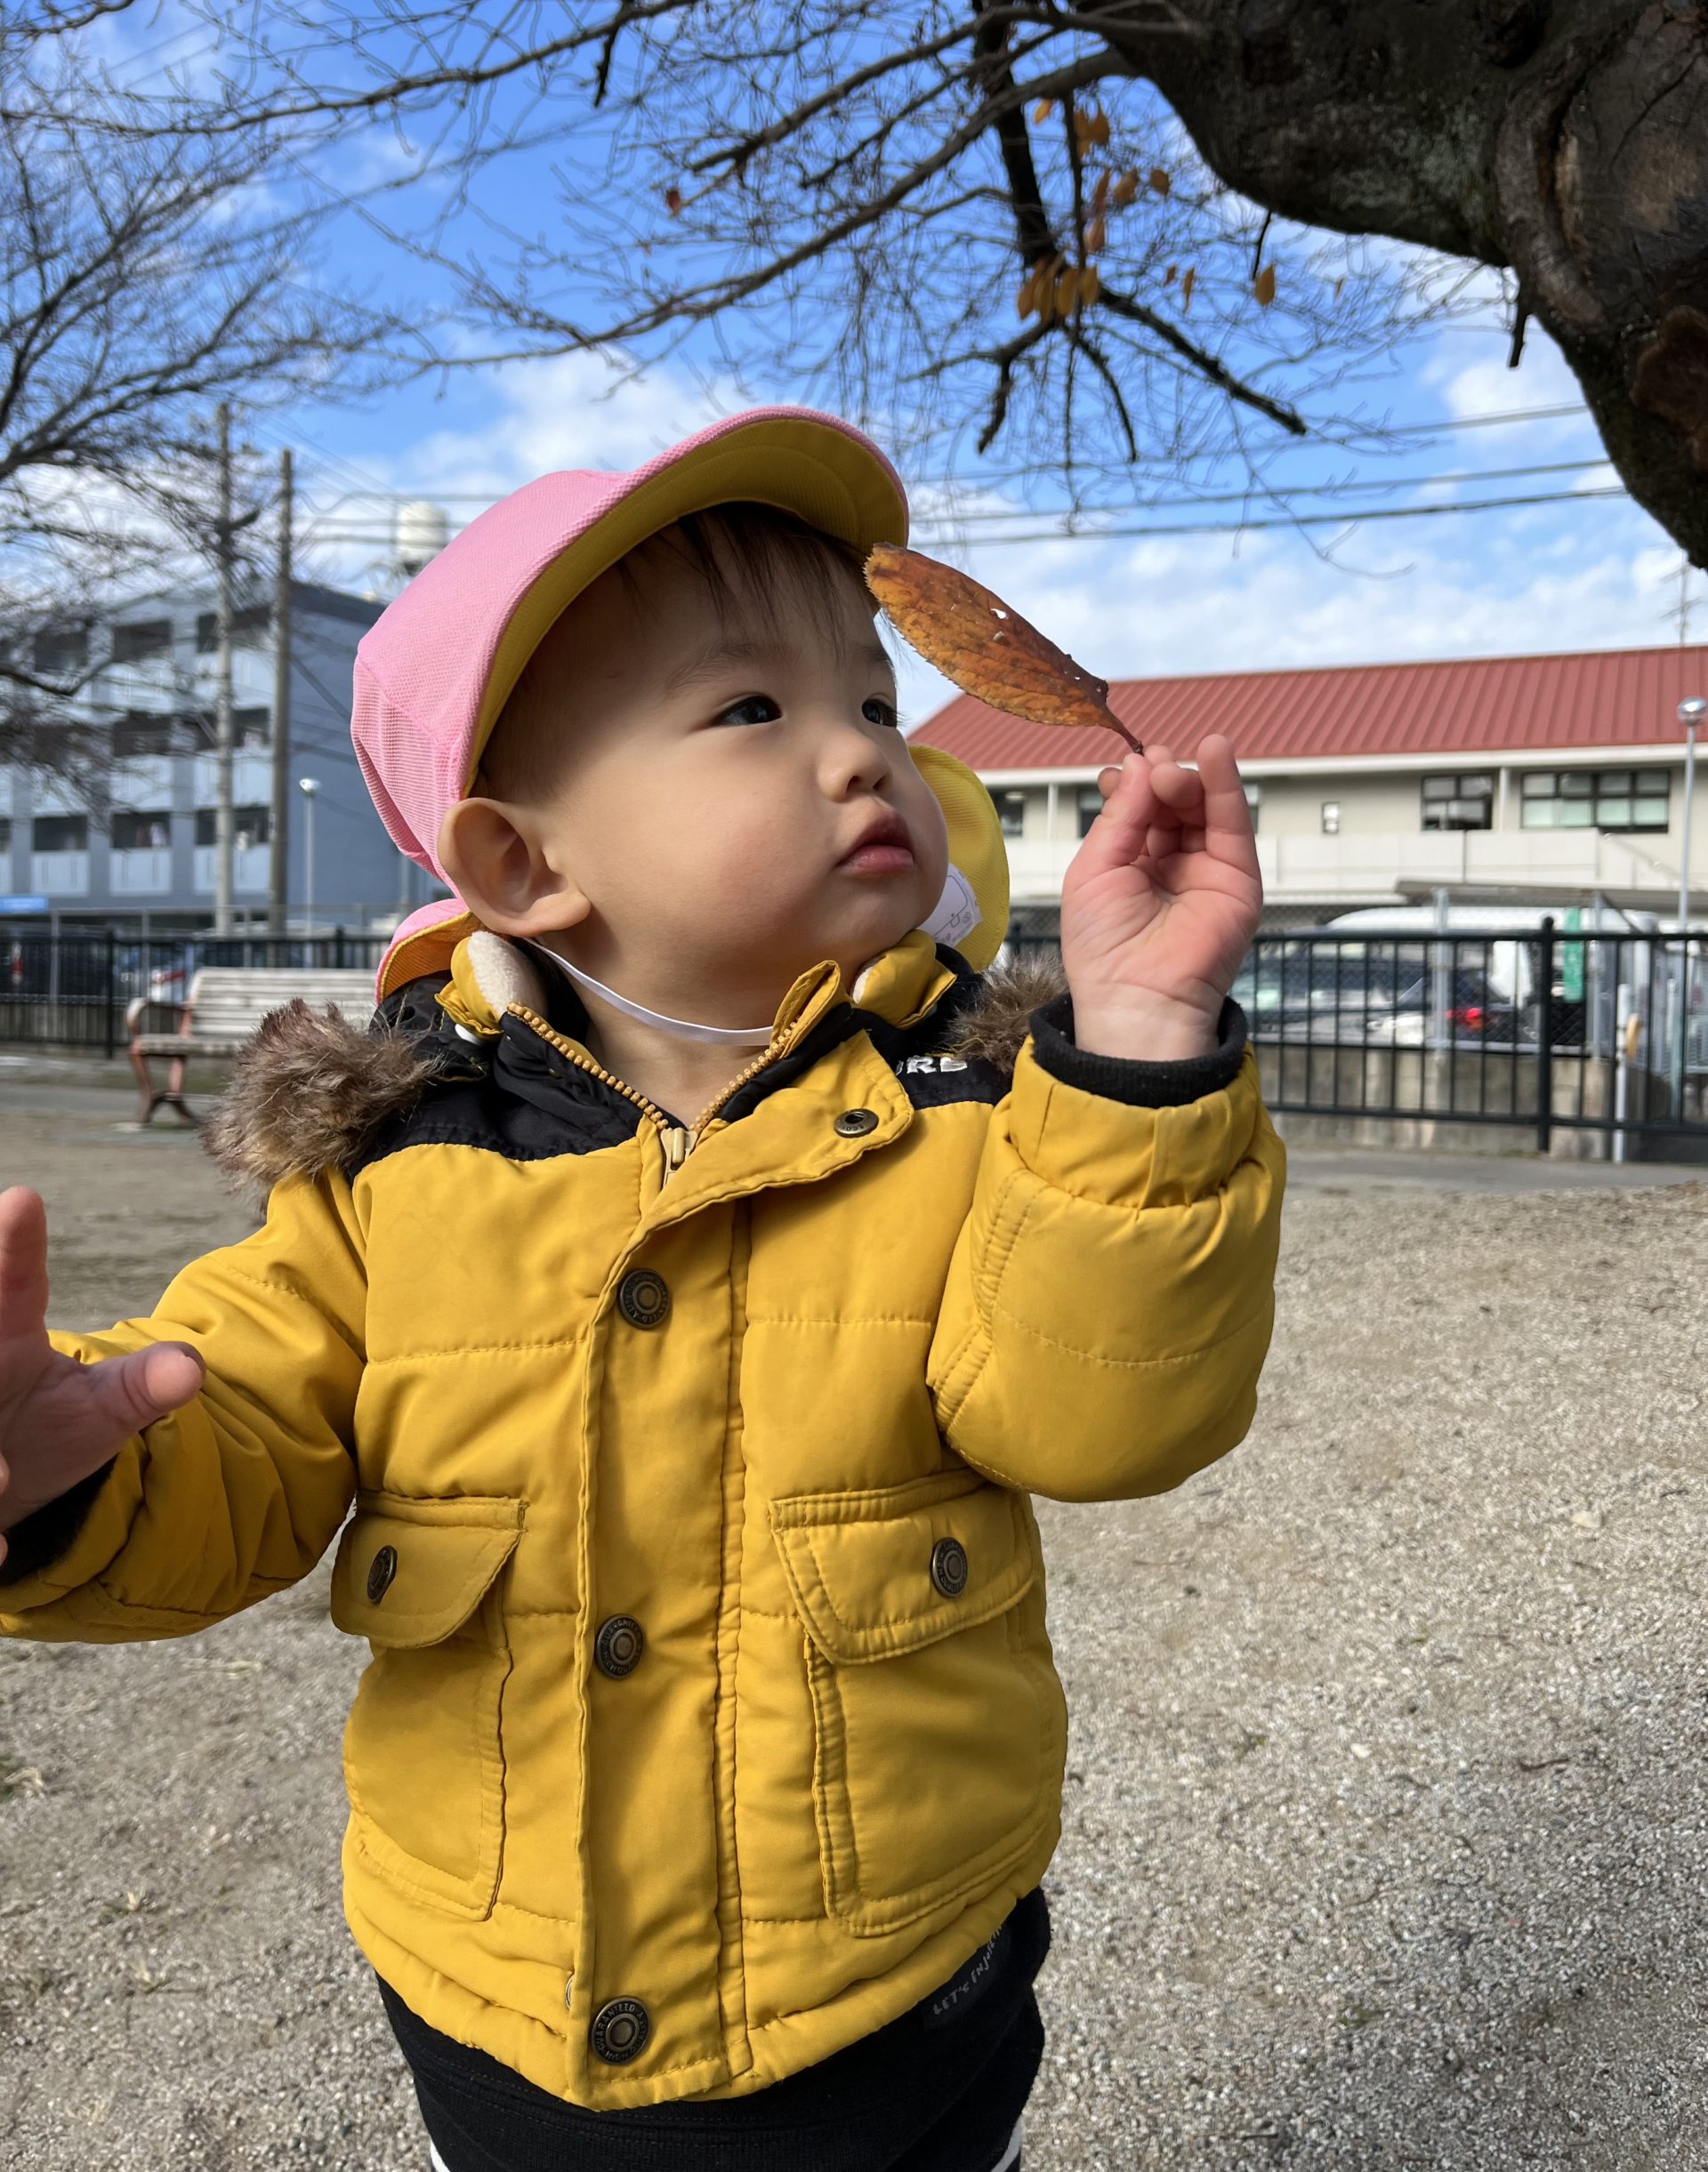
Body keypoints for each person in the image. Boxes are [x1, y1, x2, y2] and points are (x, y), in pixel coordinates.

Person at [0, 406, 1284, 2172]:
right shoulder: (400, 1159)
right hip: (502, 2000)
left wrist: (1137, 1054)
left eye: (875, 702)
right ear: (524, 865)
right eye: (753, 709)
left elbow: (1102, 1418)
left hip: (890, 1991)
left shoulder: (971, 1114)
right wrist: (65, 1470)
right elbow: (241, 1442)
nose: (861, 754)